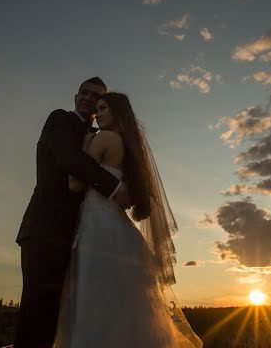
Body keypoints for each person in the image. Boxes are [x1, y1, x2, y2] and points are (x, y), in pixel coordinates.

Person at [53, 92, 202, 347]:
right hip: (117, 226)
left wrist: (86, 145)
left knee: (95, 299)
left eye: (103, 108)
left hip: (97, 226)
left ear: (117, 113)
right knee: (123, 305)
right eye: (97, 109)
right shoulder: (127, 146)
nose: (97, 114)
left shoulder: (104, 138)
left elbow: (75, 183)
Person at [14, 77, 132, 348]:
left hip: (76, 236)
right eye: (84, 93)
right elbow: (69, 159)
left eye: (96, 96)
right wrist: (115, 187)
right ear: (76, 95)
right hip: (45, 229)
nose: (88, 99)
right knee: (36, 312)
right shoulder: (60, 120)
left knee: (57, 315)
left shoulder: (99, 135)